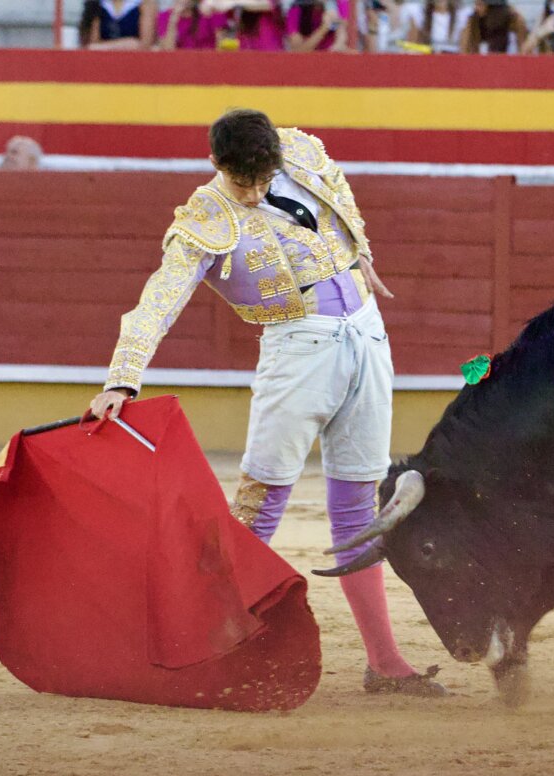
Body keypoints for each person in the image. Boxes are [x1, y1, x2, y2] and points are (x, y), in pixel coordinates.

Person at [87, 109, 446, 698]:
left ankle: (384, 663)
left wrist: (361, 253)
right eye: (241, 182)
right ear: (215, 164)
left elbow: (339, 195)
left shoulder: (301, 151)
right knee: (262, 504)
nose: (253, 193)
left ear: (277, 153)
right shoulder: (205, 216)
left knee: (359, 500)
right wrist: (122, 379)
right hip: (297, 350)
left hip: (367, 335)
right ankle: (199, 652)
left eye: (261, 179)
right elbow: (158, 301)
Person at [80, 0, 159, 49]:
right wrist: (128, 44)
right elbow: (92, 44)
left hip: (136, 61)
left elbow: (145, 44)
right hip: (103, 61)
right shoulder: (96, 4)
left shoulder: (145, 4)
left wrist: (104, 46)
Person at [460, 0, 529, 54]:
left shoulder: (513, 20)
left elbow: (524, 51)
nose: (476, 8)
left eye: (480, 4)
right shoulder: (474, 20)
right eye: (476, 4)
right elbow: (466, 51)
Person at [215, 0, 286, 51]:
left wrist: (236, 3)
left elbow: (269, 4)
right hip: (246, 45)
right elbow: (210, 9)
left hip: (268, 47)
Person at [157, 0, 227, 50]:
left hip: (208, 63)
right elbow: (167, 50)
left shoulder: (212, 13)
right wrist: (174, 19)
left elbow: (221, 47)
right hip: (180, 65)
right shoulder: (165, 16)